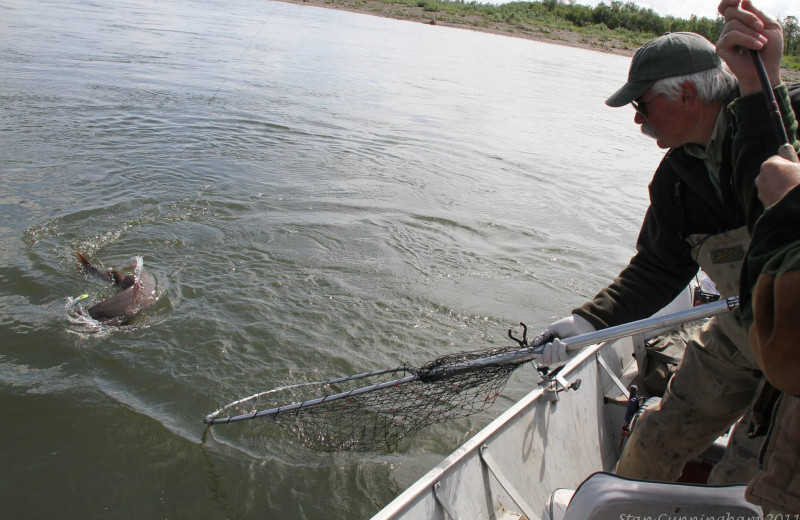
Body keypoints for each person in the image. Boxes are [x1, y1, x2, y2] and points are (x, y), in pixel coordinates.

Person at [534, 24, 800, 484]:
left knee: (745, 477)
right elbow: (658, 268)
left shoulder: (778, 119)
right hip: (739, 326)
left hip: (795, 337)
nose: (638, 120)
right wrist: (588, 321)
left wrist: (767, 77)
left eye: (642, 105)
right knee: (653, 443)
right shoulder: (675, 181)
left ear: (687, 96)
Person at [716, 0, 800, 513]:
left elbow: (783, 347)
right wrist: (757, 82)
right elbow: (772, 186)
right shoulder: (674, 181)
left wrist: (793, 207)